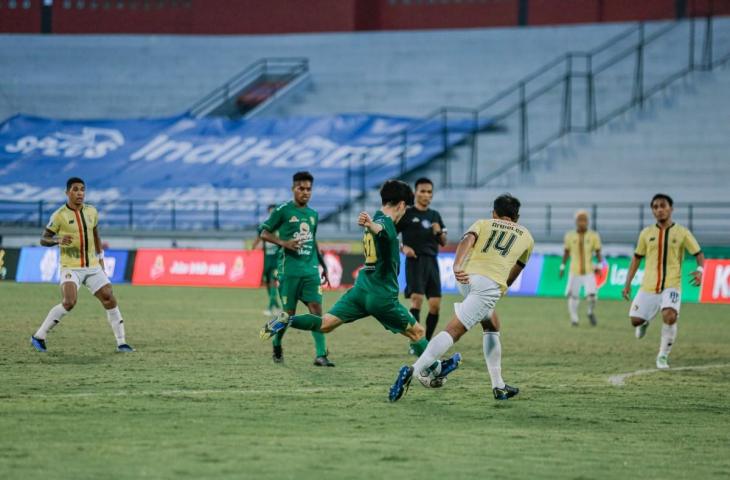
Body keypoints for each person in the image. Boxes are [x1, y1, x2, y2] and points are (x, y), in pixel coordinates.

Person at [259, 180, 461, 383]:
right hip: (381, 295)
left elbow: (378, 230)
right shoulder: (385, 223)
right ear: (401, 205)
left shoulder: (375, 218)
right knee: (417, 332)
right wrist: (372, 225)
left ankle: (287, 320)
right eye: (405, 208)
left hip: (360, 290)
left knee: (325, 324)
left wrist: (370, 224)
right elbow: (382, 230)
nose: (404, 212)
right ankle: (436, 368)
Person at [389, 193, 533, 402]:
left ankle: (499, 385)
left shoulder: (484, 223)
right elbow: (517, 269)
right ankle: (412, 370)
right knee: (454, 331)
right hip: (488, 284)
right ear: (517, 218)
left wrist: (457, 265)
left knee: (492, 324)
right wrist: (501, 288)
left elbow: (468, 239)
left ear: (494, 213)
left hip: (466, 277)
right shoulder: (527, 237)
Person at [30, 177, 133, 353]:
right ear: (67, 192)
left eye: (82, 189)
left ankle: (122, 343)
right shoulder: (59, 215)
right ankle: (39, 336)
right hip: (71, 267)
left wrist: (100, 256)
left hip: (92, 266)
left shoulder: (92, 211)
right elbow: (43, 239)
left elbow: (96, 235)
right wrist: (57, 239)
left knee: (108, 296)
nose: (80, 193)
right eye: (76, 189)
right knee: (69, 302)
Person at [258, 171, 334, 367]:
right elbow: (263, 231)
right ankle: (276, 343)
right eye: (301, 188)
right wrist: (283, 242)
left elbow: (312, 241)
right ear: (293, 189)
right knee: (288, 315)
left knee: (316, 311)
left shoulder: (313, 214)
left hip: (310, 272)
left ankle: (321, 355)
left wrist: (323, 265)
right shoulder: (283, 210)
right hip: (289, 272)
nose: (305, 192)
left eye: (309, 189)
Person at [622, 194, 704, 370]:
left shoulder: (682, 232)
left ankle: (662, 356)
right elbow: (636, 258)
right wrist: (627, 283)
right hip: (649, 286)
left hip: (672, 285)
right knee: (635, 321)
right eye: (655, 207)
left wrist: (700, 270)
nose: (659, 209)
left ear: (671, 208)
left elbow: (698, 253)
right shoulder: (646, 234)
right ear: (653, 211)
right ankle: (644, 322)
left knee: (669, 316)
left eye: (663, 206)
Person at [397, 178, 447, 341]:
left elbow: (444, 242)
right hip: (415, 262)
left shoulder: (435, 215)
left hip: (432, 262)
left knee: (435, 305)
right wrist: (403, 247)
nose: (426, 195)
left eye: (429, 192)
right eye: (423, 191)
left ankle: (426, 341)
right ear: (415, 193)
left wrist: (438, 232)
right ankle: (416, 341)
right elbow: (392, 235)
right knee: (416, 300)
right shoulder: (407, 213)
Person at [560, 210, 604, 326]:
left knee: (592, 297)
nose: (582, 222)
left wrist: (600, 266)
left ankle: (590, 312)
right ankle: (574, 319)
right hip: (574, 272)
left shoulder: (594, 235)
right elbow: (566, 252)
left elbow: (598, 252)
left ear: (588, 222)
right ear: (576, 221)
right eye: (580, 220)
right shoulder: (569, 236)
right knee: (573, 297)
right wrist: (562, 266)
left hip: (589, 271)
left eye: (584, 220)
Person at [251, 204, 282, 316]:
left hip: (276, 258)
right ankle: (277, 307)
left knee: (273, 281)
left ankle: (270, 308)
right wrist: (253, 246)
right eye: (271, 212)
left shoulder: (281, 226)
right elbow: (259, 236)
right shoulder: (265, 226)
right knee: (268, 282)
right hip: (267, 258)